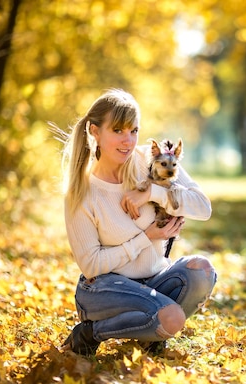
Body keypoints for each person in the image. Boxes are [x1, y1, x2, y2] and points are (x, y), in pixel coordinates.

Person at [58, 88, 217, 356]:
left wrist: (153, 192)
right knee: (173, 319)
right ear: (95, 132)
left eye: (133, 130)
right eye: (118, 130)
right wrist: (148, 237)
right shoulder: (82, 192)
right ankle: (89, 333)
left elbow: (203, 208)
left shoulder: (150, 160)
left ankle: (150, 333)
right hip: (105, 289)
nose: (128, 140)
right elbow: (91, 264)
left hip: (155, 278)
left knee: (202, 271)